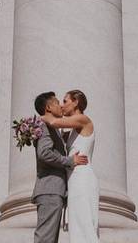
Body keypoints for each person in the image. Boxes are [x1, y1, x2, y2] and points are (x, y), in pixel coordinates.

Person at [40, 90, 98, 243]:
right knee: (77, 225)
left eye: (65, 101)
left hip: (82, 176)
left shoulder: (82, 119)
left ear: (76, 102)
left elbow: (53, 122)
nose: (62, 105)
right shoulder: (74, 128)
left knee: (84, 224)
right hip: (74, 178)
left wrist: (31, 122)